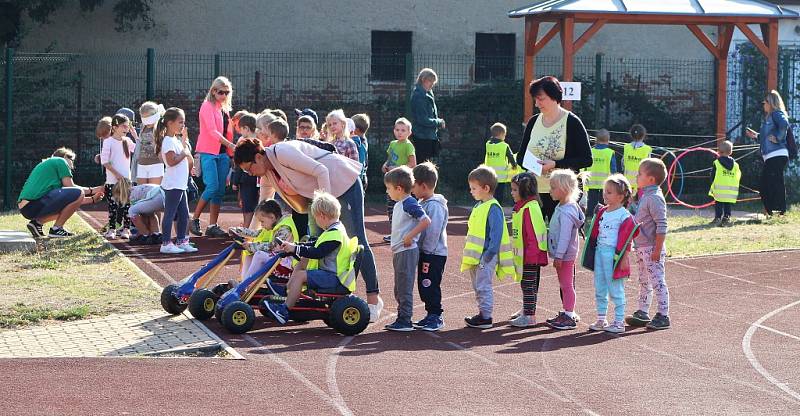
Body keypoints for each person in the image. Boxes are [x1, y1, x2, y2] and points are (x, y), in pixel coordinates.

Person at [233, 137, 384, 321]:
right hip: (320, 196)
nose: (249, 173)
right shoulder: (267, 173)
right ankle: (300, 293)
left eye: (249, 168)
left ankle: (373, 300)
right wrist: (250, 239)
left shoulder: (282, 152)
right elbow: (261, 206)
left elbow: (322, 170)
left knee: (357, 239)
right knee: (312, 243)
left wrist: (325, 207)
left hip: (342, 184)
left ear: (258, 157)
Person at [263, 191, 357, 324]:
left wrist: (296, 248)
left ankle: (284, 310)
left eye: (315, 218)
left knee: (301, 274)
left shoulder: (335, 234)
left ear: (322, 216)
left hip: (335, 278)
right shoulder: (333, 230)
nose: (316, 221)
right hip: (330, 274)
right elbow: (314, 244)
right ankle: (286, 290)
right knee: (303, 259)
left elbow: (318, 252)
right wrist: (294, 246)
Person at [516, 76, 592, 221]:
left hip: (561, 194)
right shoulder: (533, 122)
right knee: (533, 240)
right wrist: (532, 166)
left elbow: (586, 159)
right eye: (535, 99)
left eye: (541, 98)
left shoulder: (572, 122)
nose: (537, 103)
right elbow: (521, 157)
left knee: (560, 240)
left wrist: (556, 164)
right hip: (534, 193)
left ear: (554, 96)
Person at [582, 174, 637, 334]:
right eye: (605, 191)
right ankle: (601, 318)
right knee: (600, 287)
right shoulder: (603, 212)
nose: (605, 194)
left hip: (613, 256)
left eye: (609, 192)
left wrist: (624, 258)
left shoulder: (624, 215)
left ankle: (619, 322)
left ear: (621, 196)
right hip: (600, 253)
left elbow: (628, 239)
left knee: (615, 289)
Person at [462, 165, 516, 329]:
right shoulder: (480, 205)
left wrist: (488, 255)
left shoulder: (493, 208)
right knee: (477, 286)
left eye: (474, 188)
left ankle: (486, 317)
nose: (471, 191)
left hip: (486, 256)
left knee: (483, 286)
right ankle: (482, 314)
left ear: (486, 188)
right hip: (475, 256)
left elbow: (496, 234)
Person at [383, 166, 431, 332]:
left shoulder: (409, 202)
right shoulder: (399, 204)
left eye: (388, 188)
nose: (387, 192)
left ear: (399, 188)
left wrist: (410, 236)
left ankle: (405, 319)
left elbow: (425, 221)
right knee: (399, 286)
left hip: (406, 251)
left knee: (404, 286)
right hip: (399, 251)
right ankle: (402, 317)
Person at [18, 148, 105, 238]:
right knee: (78, 192)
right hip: (33, 204)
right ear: (65, 156)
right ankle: (57, 229)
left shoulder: (49, 165)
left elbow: (74, 200)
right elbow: (72, 188)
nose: (72, 166)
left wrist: (92, 199)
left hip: (27, 208)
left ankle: (37, 223)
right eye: (72, 160)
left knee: (69, 206)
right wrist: (94, 189)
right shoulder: (60, 161)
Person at [627, 158, 671, 330]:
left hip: (652, 248)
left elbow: (662, 224)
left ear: (651, 179)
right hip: (642, 247)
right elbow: (641, 217)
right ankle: (643, 311)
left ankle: (663, 314)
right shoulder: (646, 196)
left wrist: (658, 249)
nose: (637, 176)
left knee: (657, 281)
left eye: (640, 174)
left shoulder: (654, 198)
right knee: (644, 280)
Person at [191, 76, 235, 238]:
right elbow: (212, 131)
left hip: (223, 154)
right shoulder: (206, 106)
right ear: (213, 91)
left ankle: (212, 226)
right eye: (220, 92)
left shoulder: (224, 109)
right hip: (208, 152)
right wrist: (230, 145)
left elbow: (227, 131)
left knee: (220, 191)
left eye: (226, 92)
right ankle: (194, 219)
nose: (223, 95)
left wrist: (229, 152)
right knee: (212, 187)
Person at [545, 169, 585, 330]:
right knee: (564, 284)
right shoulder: (563, 206)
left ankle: (569, 315)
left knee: (567, 285)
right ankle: (567, 311)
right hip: (563, 254)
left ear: (565, 189)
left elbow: (565, 236)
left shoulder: (567, 211)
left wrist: (559, 256)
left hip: (565, 255)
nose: (550, 190)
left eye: (553, 187)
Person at [411, 162, 448, 332]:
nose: (411, 189)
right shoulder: (423, 202)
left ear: (423, 186)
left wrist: (426, 250)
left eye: (413, 185)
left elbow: (433, 230)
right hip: (426, 252)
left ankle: (436, 315)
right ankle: (430, 314)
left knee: (429, 284)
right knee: (423, 284)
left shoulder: (434, 205)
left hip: (433, 254)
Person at [508, 172, 548, 328]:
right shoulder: (523, 207)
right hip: (526, 255)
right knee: (527, 284)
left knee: (527, 284)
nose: (512, 193)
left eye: (515, 190)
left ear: (525, 190)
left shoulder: (529, 208)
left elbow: (533, 235)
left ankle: (529, 316)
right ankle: (527, 310)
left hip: (530, 256)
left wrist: (531, 257)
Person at [157, 107, 198, 255]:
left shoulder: (175, 139)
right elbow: (172, 161)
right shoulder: (167, 141)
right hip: (173, 184)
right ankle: (166, 243)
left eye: (184, 122)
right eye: (180, 122)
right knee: (170, 214)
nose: (183, 125)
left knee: (184, 214)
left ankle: (182, 240)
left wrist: (184, 144)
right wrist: (184, 153)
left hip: (180, 184)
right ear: (169, 123)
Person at [229, 199, 298, 282]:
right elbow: (256, 233)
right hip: (278, 259)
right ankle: (244, 283)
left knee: (259, 254)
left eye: (262, 221)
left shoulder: (285, 228)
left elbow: (274, 246)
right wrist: (237, 230)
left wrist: (252, 246)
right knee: (249, 253)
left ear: (272, 217)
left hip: (287, 264)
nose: (261, 224)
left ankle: (244, 285)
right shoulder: (274, 224)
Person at [745, 90, 790, 216]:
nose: (763, 104)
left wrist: (779, 138)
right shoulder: (770, 117)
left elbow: (784, 124)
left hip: (777, 154)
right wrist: (756, 136)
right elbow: (767, 137)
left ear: (771, 103)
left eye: (765, 102)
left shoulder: (776, 113)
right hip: (772, 155)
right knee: (772, 183)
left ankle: (775, 211)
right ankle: (776, 211)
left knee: (768, 184)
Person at [100, 114, 136, 240]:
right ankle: (112, 229)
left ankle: (126, 229)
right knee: (113, 206)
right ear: (114, 127)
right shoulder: (108, 141)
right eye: (123, 126)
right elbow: (105, 161)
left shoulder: (127, 141)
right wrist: (117, 175)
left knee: (126, 206)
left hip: (126, 180)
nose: (126, 129)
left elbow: (138, 149)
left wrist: (135, 135)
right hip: (112, 180)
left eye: (128, 126)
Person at [382, 117, 417, 242]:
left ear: (409, 132)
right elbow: (390, 159)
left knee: (403, 209)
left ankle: (406, 233)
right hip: (392, 182)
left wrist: (397, 168)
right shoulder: (392, 144)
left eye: (403, 130)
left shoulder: (408, 146)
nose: (399, 132)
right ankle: (394, 233)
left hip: (403, 183)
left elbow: (413, 164)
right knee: (391, 208)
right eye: (397, 130)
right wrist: (385, 165)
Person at [230, 112, 260, 229]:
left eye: (241, 129)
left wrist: (235, 181)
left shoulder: (243, 142)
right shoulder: (259, 141)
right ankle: (252, 228)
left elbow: (239, 163)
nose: (240, 132)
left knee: (247, 206)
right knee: (256, 204)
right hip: (258, 179)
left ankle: (246, 230)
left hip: (247, 180)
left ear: (246, 128)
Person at [410, 68, 445, 163]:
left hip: (428, 136)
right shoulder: (419, 96)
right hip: (422, 137)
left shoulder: (427, 93)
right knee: (423, 167)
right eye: (430, 81)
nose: (432, 84)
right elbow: (423, 120)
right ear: (423, 79)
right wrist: (439, 122)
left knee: (427, 166)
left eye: (433, 82)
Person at [583, 129, 616, 219]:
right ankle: (602, 217)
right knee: (604, 202)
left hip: (591, 182)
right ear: (608, 140)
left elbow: (585, 166)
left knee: (591, 203)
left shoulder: (591, 151)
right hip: (605, 184)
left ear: (596, 140)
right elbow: (613, 170)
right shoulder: (609, 153)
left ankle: (589, 218)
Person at [484, 122, 518, 206]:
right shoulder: (504, 146)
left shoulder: (488, 144)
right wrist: (514, 166)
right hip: (501, 176)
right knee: (499, 195)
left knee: (490, 194)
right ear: (502, 134)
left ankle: (489, 206)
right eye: (505, 135)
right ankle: (497, 207)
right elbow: (511, 157)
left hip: (489, 175)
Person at [708, 140, 740, 226]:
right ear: (731, 152)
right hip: (730, 190)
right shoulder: (736, 165)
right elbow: (738, 175)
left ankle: (717, 218)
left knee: (718, 203)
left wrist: (712, 184)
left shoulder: (717, 163)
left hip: (719, 189)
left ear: (719, 152)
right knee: (727, 204)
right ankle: (727, 218)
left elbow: (713, 175)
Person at [135, 102, 165, 185]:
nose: (147, 122)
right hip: (142, 164)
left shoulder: (161, 127)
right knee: (142, 192)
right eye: (144, 119)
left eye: (148, 119)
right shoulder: (143, 127)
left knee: (154, 192)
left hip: (156, 164)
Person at [622, 124, 652, 193]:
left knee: (628, 201)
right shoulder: (647, 149)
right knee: (640, 201)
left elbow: (623, 163)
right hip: (641, 182)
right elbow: (649, 166)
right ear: (643, 135)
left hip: (628, 181)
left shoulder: (626, 147)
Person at [351, 113, 370, 191]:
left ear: (356, 130)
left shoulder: (360, 144)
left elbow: (361, 162)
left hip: (360, 178)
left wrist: (359, 177)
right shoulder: (361, 140)